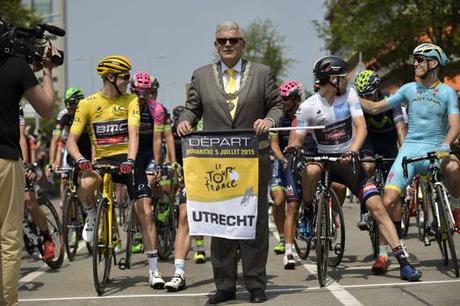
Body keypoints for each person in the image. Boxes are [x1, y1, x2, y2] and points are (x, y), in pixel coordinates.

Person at [176, 21, 284, 304]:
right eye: (222, 40)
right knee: (220, 224)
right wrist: (185, 121)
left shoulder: (262, 74)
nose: (227, 44)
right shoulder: (201, 76)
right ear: (215, 45)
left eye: (233, 40)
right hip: (216, 163)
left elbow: (278, 105)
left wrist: (269, 119)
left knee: (254, 224)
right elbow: (191, 108)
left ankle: (256, 284)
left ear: (242, 44)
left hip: (254, 159)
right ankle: (224, 286)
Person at [291, 55, 422, 282]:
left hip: (348, 159)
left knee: (378, 207)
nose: (346, 81)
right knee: (311, 171)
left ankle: (403, 262)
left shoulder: (350, 95)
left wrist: (353, 149)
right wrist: (294, 149)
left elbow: (361, 127)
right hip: (322, 159)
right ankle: (309, 211)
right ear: (332, 79)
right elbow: (296, 140)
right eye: (343, 77)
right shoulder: (307, 107)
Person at [66, 56, 165, 289]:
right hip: (100, 161)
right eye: (124, 76)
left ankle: (154, 270)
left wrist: (131, 159)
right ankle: (91, 216)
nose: (127, 81)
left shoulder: (131, 100)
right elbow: (71, 140)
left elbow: (134, 134)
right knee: (86, 183)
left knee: (146, 210)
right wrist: (80, 159)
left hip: (127, 161)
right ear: (110, 77)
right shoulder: (88, 103)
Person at [359, 43, 460, 271]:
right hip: (410, 149)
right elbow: (375, 108)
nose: (415, 64)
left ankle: (455, 206)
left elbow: (455, 125)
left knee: (454, 168)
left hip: (437, 147)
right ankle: (383, 255)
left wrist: (446, 144)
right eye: (414, 59)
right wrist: (351, 97)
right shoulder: (408, 89)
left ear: (433, 63)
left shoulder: (447, 92)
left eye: (420, 59)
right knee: (388, 199)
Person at [0, 21, 59, 306]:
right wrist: (46, 70)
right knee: (8, 239)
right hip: (4, 159)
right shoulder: (15, 67)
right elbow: (47, 108)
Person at [354, 70, 406, 230]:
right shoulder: (359, 104)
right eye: (362, 95)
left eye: (369, 94)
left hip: (389, 142)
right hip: (369, 142)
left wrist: (404, 153)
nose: (366, 99)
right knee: (368, 167)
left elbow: (400, 129)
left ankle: (397, 231)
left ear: (377, 89)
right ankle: (363, 210)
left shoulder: (391, 101)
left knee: (395, 188)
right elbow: (356, 129)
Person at [269, 80, 303, 265]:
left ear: (297, 98)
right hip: (280, 159)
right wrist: (282, 159)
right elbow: (273, 143)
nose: (283, 101)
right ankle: (283, 237)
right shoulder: (278, 116)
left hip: (299, 157)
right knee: (279, 199)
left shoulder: (304, 112)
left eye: (286, 98)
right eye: (281, 98)